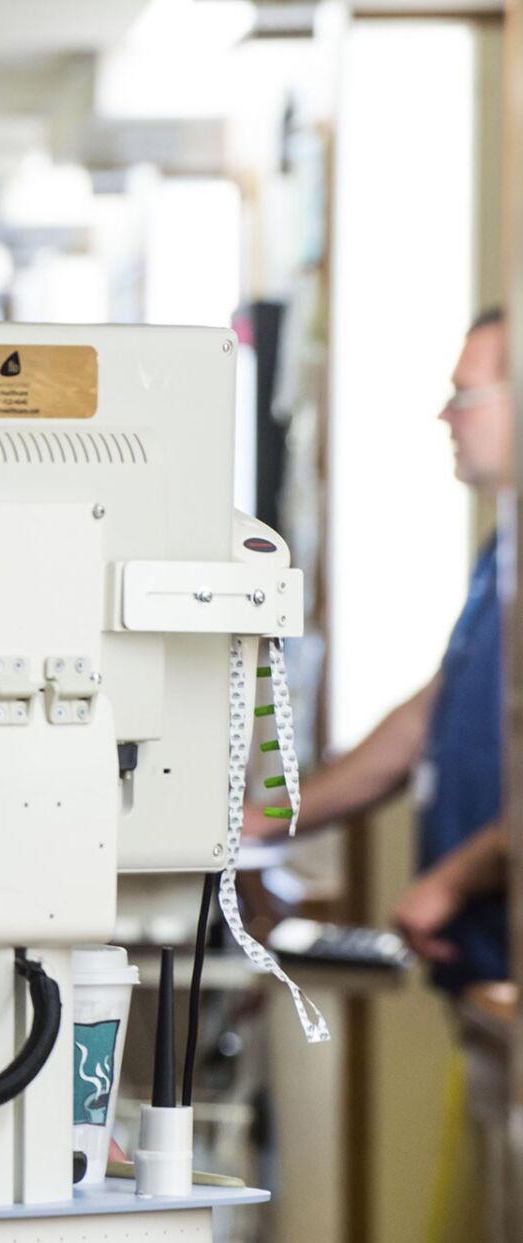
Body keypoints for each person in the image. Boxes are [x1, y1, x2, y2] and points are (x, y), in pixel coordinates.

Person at [250, 305, 510, 1228]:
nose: (448, 416)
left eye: (465, 394)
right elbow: (434, 712)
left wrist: (451, 878)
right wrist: (275, 816)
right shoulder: (500, 557)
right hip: (482, 981)